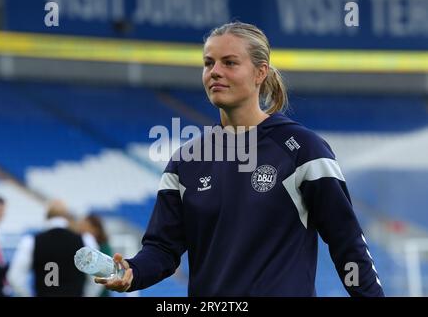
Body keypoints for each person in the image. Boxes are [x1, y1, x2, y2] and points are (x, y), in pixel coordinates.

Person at [96, 22, 384, 297]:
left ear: (260, 73)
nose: (215, 72)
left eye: (229, 63)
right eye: (209, 63)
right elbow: (162, 248)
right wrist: (133, 270)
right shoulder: (186, 161)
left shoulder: (303, 150)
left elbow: (347, 244)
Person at [7, 200, 101, 297]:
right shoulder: (85, 240)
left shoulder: (31, 241)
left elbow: (14, 277)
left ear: (46, 217)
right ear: (67, 217)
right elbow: (98, 277)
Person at [78, 214, 113, 297]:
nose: (81, 230)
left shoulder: (104, 248)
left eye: (85, 227)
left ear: (96, 229)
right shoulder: (81, 247)